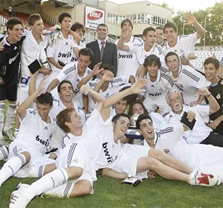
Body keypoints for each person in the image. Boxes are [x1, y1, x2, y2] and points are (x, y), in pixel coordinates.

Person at [0, 77, 56, 187]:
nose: (41, 111)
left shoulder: (53, 125)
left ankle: (19, 172)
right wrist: (38, 91)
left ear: (51, 106)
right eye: (39, 108)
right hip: (20, 147)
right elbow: (20, 110)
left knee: (57, 165)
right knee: (25, 154)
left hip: (36, 157)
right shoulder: (31, 114)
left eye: (44, 109)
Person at [136, 114, 223, 183]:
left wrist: (190, 116)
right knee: (217, 176)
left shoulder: (165, 132)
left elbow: (185, 127)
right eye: (144, 126)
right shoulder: (141, 149)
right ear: (140, 131)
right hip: (188, 168)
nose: (149, 128)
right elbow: (137, 166)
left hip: (196, 153)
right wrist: (146, 173)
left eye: (150, 124)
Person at [0, 17, 24, 144]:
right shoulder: (1, 43)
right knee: (1, 108)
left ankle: (7, 129)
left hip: (13, 79)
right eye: (16, 30)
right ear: (8, 30)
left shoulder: (22, 41)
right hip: (1, 80)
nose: (19, 32)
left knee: (13, 105)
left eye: (21, 29)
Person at [47, 13, 77, 83]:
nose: (68, 23)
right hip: (55, 72)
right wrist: (56, 64)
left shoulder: (71, 37)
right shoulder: (54, 36)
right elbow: (49, 55)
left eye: (69, 21)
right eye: (65, 21)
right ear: (60, 23)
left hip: (67, 72)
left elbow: (76, 52)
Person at [203, 57, 223, 136]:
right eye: (206, 69)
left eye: (211, 68)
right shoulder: (203, 84)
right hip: (208, 126)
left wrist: (218, 120)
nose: (208, 72)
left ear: (217, 70)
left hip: (220, 123)